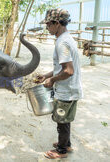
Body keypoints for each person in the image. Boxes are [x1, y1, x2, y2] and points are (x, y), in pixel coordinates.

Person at [35, 8, 83, 159]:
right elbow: (60, 68)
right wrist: (46, 75)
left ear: (57, 23)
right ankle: (66, 143)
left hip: (66, 90)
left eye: (48, 24)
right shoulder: (66, 38)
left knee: (61, 120)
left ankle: (62, 150)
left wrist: (52, 80)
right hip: (69, 88)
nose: (47, 27)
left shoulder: (62, 43)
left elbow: (68, 71)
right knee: (65, 119)